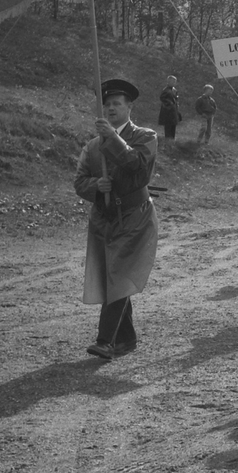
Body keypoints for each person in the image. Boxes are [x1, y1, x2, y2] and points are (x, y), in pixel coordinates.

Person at [77, 79, 159, 359]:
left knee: (120, 272)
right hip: (104, 217)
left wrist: (113, 138)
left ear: (129, 107)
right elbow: (79, 181)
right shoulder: (91, 146)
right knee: (111, 274)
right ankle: (126, 338)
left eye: (117, 104)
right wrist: (95, 187)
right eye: (107, 104)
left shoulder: (146, 136)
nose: (111, 108)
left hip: (135, 216)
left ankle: (105, 341)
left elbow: (136, 166)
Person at [158, 75, 180, 142]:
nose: (174, 83)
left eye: (175, 82)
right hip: (167, 111)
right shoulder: (166, 90)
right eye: (173, 81)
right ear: (168, 82)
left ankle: (172, 139)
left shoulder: (174, 90)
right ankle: (167, 141)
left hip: (174, 110)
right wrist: (169, 103)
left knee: (173, 125)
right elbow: (162, 98)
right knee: (168, 126)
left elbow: (176, 98)